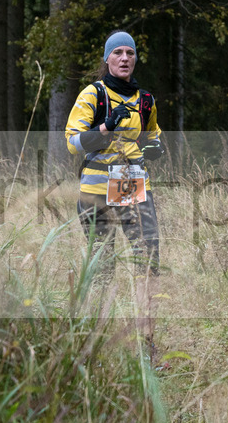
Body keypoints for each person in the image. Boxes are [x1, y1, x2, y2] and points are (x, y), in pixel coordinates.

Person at [65, 31, 164, 358]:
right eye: (118, 53)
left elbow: (153, 137)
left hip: (132, 184)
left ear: (135, 58)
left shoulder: (145, 100)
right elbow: (73, 143)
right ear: (107, 59)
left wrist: (154, 148)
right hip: (95, 190)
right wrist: (105, 128)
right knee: (103, 268)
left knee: (146, 261)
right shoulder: (93, 95)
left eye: (130, 53)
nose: (124, 58)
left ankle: (146, 348)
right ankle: (95, 345)